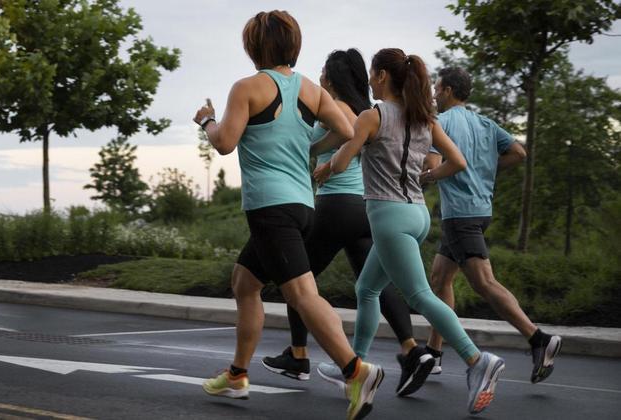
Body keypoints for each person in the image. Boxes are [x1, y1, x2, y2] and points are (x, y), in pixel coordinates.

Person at [193, 11, 383, 419]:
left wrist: (206, 120)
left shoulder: (247, 87)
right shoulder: (311, 90)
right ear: (292, 46)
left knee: (300, 294)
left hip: (270, 208)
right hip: (302, 204)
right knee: (245, 282)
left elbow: (225, 143)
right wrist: (310, 150)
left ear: (253, 46)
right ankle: (238, 375)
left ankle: (356, 371)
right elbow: (348, 131)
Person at [323, 48, 505, 415]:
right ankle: (355, 366)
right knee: (367, 288)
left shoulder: (372, 116)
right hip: (418, 215)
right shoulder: (425, 117)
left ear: (382, 77)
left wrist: (321, 169)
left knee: (420, 295)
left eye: (374, 74)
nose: (371, 80)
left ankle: (477, 361)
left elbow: (343, 161)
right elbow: (457, 162)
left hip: (389, 217)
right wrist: (426, 177)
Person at [261, 48, 427, 398]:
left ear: (332, 78)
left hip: (336, 206)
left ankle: (298, 354)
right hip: (365, 209)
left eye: (323, 71)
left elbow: (327, 141)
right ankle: (411, 349)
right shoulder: (365, 110)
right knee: (377, 285)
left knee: (297, 279)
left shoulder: (339, 110)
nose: (319, 76)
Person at [423, 66, 562, 383]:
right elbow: (518, 152)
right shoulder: (485, 123)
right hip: (480, 210)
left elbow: (431, 166)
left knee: (484, 283)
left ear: (447, 91)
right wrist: (485, 169)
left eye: (436, 88)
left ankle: (538, 337)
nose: (433, 94)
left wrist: (423, 176)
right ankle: (434, 352)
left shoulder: (441, 124)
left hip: (460, 214)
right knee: (440, 277)